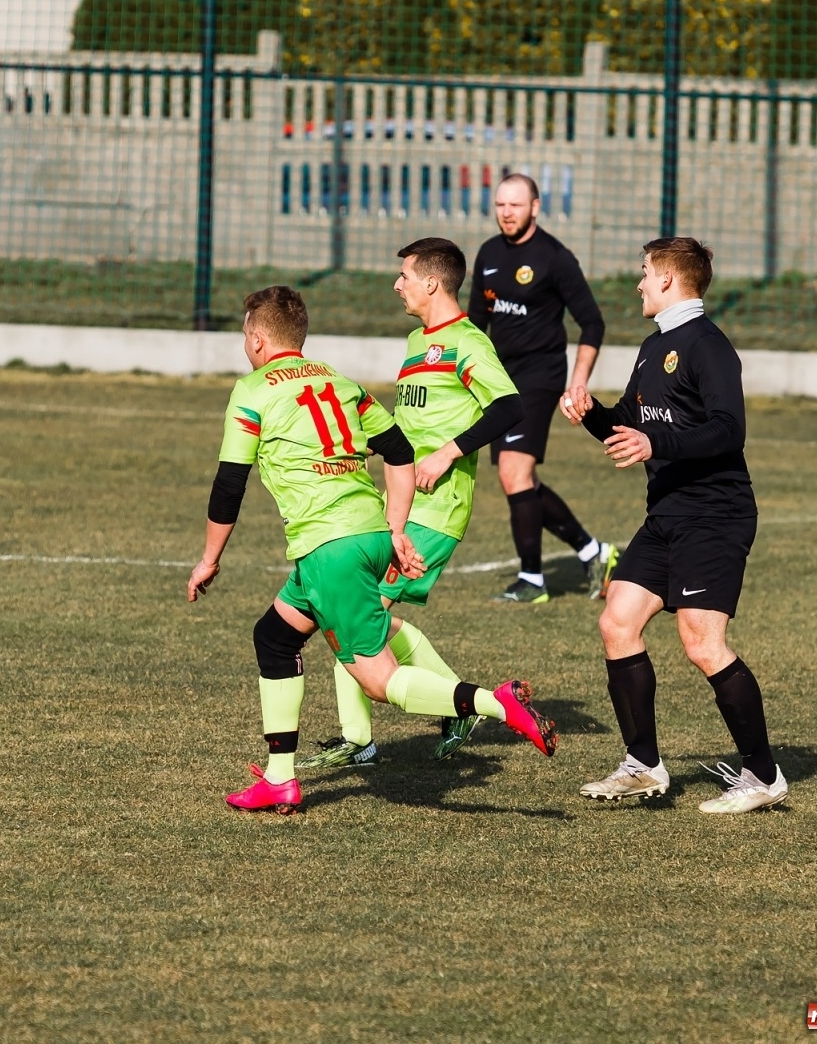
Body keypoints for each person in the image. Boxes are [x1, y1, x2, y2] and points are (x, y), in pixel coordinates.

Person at [187, 285, 556, 814]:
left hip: (328, 546)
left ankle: (491, 703)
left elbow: (229, 485)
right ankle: (279, 778)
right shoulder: (340, 381)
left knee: (379, 680)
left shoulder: (251, 391)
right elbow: (399, 449)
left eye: (246, 335)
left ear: (258, 340)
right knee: (274, 637)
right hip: (369, 531)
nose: (246, 344)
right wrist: (396, 530)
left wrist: (209, 559)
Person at [561, 238, 786, 814]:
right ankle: (642, 766)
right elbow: (630, 425)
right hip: (667, 512)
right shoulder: (653, 345)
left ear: (667, 280)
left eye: (644, 272)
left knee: (702, 643)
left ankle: (763, 775)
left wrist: (654, 441)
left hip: (715, 514)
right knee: (617, 622)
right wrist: (592, 414)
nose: (638, 283)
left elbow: (728, 429)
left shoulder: (708, 345)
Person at [298, 237, 528, 770]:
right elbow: (411, 424)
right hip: (401, 503)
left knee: (358, 614)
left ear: (432, 282)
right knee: (356, 612)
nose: (397, 284)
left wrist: (447, 453)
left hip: (438, 507)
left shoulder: (467, 342)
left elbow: (509, 406)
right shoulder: (415, 341)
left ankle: (368, 738)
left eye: (405, 275)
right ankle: (437, 712)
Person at [468, 173, 619, 603]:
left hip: (540, 376)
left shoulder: (555, 257)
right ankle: (594, 552)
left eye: (515, 205)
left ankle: (532, 580)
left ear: (535, 207)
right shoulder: (488, 253)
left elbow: (592, 323)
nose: (506, 213)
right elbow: (476, 323)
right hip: (500, 378)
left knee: (513, 472)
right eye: (500, 204)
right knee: (521, 480)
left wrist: (578, 382)